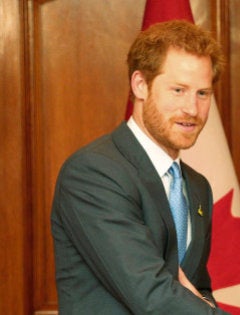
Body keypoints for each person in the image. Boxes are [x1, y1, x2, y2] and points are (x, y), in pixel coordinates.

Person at [51, 20, 229, 314]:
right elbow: (150, 293)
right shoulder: (93, 173)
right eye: (178, 90)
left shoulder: (197, 186)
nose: (192, 109)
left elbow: (198, 290)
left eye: (202, 93)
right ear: (140, 85)